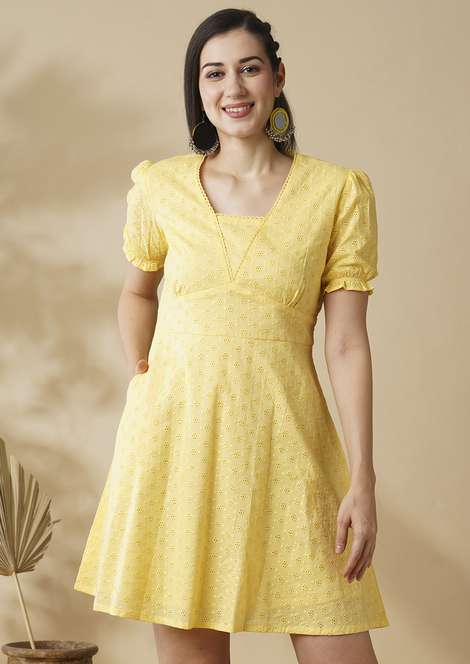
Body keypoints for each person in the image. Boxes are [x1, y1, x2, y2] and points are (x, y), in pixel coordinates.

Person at [73, 8, 389, 664]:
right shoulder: (159, 186)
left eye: (249, 69)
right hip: (178, 446)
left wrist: (362, 478)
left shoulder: (337, 192)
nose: (233, 88)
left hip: (291, 445)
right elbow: (137, 291)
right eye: (213, 74)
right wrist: (143, 372)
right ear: (198, 88)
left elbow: (346, 343)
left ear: (278, 77)